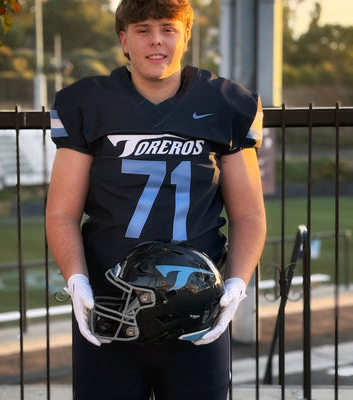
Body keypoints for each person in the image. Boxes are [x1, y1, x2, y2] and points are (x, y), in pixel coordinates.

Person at [45, 0, 266, 398]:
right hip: (111, 304)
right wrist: (77, 281)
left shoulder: (225, 103)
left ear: (186, 35)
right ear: (123, 39)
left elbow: (249, 213)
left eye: (167, 28)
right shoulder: (88, 103)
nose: (156, 41)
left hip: (196, 304)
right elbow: (61, 212)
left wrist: (236, 284)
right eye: (143, 30)